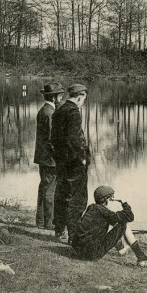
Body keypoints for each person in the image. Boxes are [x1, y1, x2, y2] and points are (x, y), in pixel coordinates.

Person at [72, 185, 147, 267]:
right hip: (90, 255)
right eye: (111, 198)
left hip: (78, 251)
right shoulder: (104, 212)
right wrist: (123, 202)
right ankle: (142, 259)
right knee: (123, 224)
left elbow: (110, 222)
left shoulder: (92, 207)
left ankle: (121, 249)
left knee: (113, 223)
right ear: (107, 199)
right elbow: (130, 216)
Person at [51, 83, 91, 244]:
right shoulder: (73, 112)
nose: (83, 102)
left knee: (61, 194)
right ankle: (73, 235)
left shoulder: (59, 109)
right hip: (74, 163)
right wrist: (82, 157)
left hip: (61, 161)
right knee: (77, 199)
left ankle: (60, 230)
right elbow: (74, 139)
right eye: (83, 99)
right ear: (80, 96)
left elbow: (55, 138)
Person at [33, 82, 65, 230]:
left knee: (44, 189)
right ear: (54, 97)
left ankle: (41, 222)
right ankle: (49, 223)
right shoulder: (50, 113)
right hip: (50, 160)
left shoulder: (44, 111)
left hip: (43, 158)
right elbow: (53, 140)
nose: (62, 97)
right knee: (50, 191)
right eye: (60, 95)